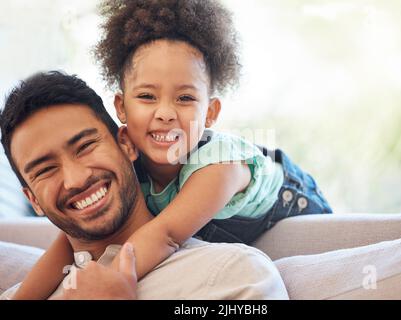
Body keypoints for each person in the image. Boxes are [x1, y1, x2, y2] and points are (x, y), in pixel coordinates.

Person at [9, 0, 332, 300]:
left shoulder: (218, 166)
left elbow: (166, 235)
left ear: (210, 113)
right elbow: (65, 245)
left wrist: (108, 280)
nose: (165, 113)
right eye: (148, 97)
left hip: (293, 206)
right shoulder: (125, 165)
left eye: (185, 98)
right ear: (121, 106)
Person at [0, 71, 288, 299]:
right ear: (33, 200)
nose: (76, 180)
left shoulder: (234, 274)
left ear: (126, 144)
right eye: (46, 170)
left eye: (86, 146)